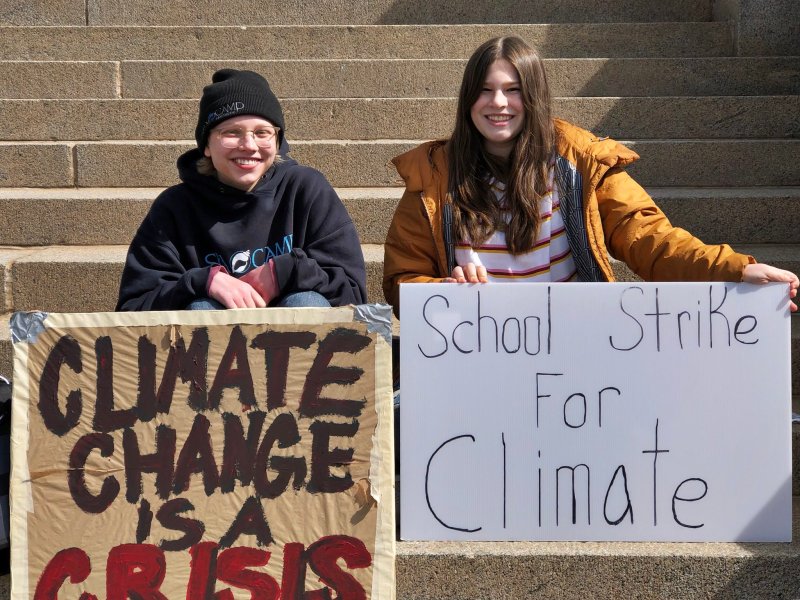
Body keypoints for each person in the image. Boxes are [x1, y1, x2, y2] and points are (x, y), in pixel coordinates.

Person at [383, 36, 798, 316]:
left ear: (534, 96)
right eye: (485, 90)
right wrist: (443, 290)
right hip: (477, 356)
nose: (498, 103)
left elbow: (651, 239)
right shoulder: (434, 175)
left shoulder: (581, 162)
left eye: (513, 90)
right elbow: (402, 279)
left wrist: (734, 270)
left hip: (575, 355)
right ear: (467, 98)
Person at [117, 69, 367, 311]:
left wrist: (285, 272)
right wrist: (202, 282)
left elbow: (353, 293)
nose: (249, 145)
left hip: (297, 336)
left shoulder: (306, 188)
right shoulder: (175, 206)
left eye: (262, 133)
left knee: (306, 303)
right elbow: (133, 307)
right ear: (206, 145)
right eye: (231, 132)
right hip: (213, 338)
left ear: (277, 141)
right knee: (202, 307)